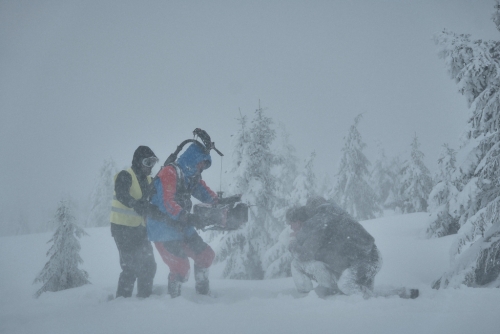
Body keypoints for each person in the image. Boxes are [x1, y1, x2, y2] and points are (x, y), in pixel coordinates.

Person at [146, 142, 218, 298]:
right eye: (201, 163)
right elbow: (168, 203)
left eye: (204, 165)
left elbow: (206, 194)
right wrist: (188, 217)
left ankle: (203, 295)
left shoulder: (192, 178)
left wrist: (219, 203)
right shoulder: (169, 173)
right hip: (163, 229)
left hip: (182, 226)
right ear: (193, 159)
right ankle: (174, 302)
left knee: (206, 256)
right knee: (181, 267)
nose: (201, 167)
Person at [286, 196, 382, 298]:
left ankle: (373, 300)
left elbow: (305, 253)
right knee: (354, 287)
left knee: (346, 285)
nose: (291, 227)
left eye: (291, 224)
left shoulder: (322, 219)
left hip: (364, 260)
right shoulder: (335, 214)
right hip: (371, 257)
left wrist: (293, 240)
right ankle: (370, 296)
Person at [110, 146, 158, 298]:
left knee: (149, 265)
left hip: (139, 229)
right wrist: (135, 204)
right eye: (147, 162)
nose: (150, 167)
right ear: (138, 162)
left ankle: (144, 297)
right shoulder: (125, 175)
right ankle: (122, 301)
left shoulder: (150, 181)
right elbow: (121, 194)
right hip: (122, 229)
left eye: (152, 163)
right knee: (130, 267)